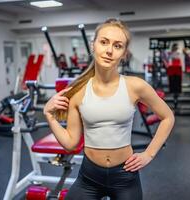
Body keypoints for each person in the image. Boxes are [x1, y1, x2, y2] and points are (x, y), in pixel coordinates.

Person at [43, 18, 175, 200]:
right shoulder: (78, 92)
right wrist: (49, 116)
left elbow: (167, 117)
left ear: (124, 54)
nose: (109, 51)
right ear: (93, 45)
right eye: (104, 42)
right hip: (89, 176)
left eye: (118, 46)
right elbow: (71, 143)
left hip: (125, 176)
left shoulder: (135, 86)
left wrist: (149, 154)